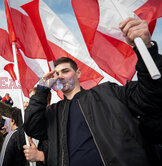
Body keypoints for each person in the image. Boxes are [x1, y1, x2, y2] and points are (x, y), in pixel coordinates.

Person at [24, 18, 162, 166]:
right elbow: (32, 127)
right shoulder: (54, 112)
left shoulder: (108, 92)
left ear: (78, 73)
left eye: (65, 71)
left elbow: (149, 95)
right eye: (56, 74)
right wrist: (42, 88)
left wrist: (146, 49)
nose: (60, 76)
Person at [23, 87, 51, 166]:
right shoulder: (33, 126)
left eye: (34, 101)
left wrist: (41, 156)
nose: (29, 104)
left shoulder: (54, 123)